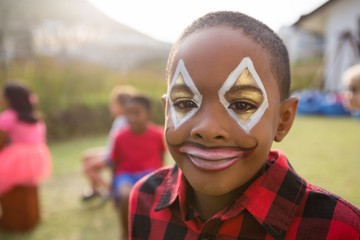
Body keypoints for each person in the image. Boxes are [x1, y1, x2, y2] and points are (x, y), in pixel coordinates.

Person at [129, 11, 360, 239]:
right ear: (167, 110)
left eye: (241, 104)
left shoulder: (338, 229)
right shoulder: (144, 199)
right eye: (185, 103)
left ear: (283, 120)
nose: (208, 129)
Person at [111, 95, 165, 239]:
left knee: (159, 195)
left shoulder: (157, 134)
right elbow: (114, 164)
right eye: (128, 113)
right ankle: (126, 233)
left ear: (148, 114)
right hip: (126, 174)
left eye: (137, 113)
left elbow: (161, 158)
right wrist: (112, 187)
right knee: (125, 196)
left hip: (150, 173)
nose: (132, 117)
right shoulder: (119, 136)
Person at [81, 85, 135, 201]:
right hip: (110, 150)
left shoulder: (126, 122)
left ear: (122, 105)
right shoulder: (120, 119)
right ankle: (94, 190)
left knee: (88, 168)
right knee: (86, 156)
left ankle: (109, 191)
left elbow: (121, 147)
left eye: (113, 103)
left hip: (114, 155)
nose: (110, 106)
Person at [0, 82, 51, 195]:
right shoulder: (36, 117)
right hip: (38, 158)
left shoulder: (9, 116)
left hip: (17, 160)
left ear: (9, 99)